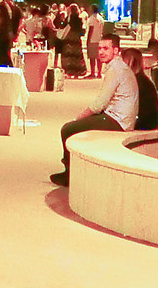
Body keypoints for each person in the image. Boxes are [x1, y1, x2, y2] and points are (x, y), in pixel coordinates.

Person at [56, 35, 140, 184]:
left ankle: (69, 175)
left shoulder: (116, 70)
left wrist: (80, 117)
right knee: (80, 126)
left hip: (118, 121)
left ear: (116, 50)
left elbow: (99, 103)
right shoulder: (118, 67)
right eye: (99, 48)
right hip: (120, 118)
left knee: (68, 129)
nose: (101, 52)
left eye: (106, 48)